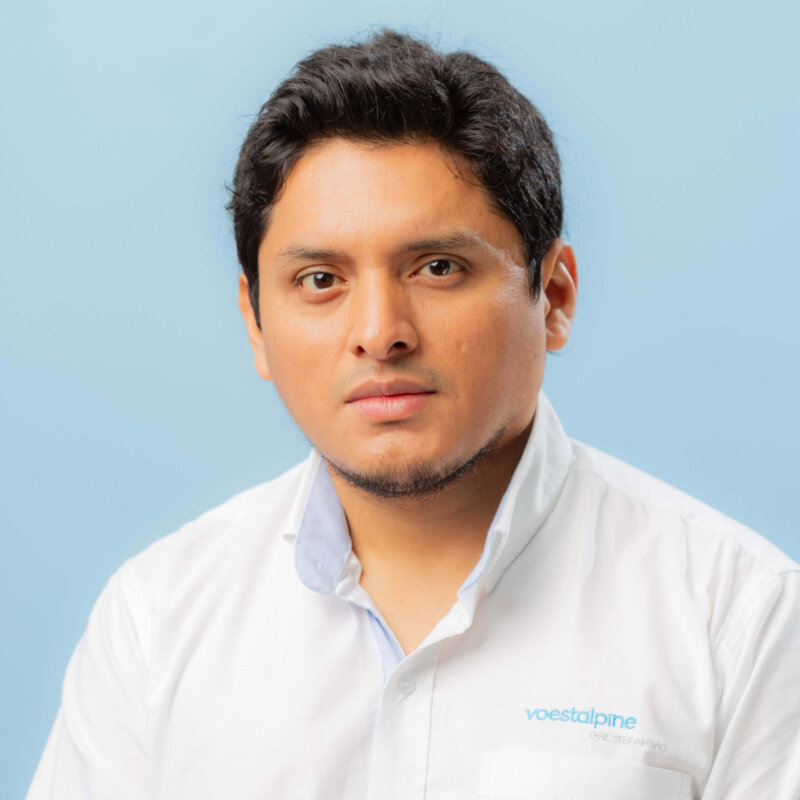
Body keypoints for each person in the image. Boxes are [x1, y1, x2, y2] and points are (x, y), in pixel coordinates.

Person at [28, 30, 799, 800]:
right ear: (256, 322)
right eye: (321, 279)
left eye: (438, 268)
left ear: (554, 296)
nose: (378, 331)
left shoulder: (740, 618)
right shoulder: (157, 621)